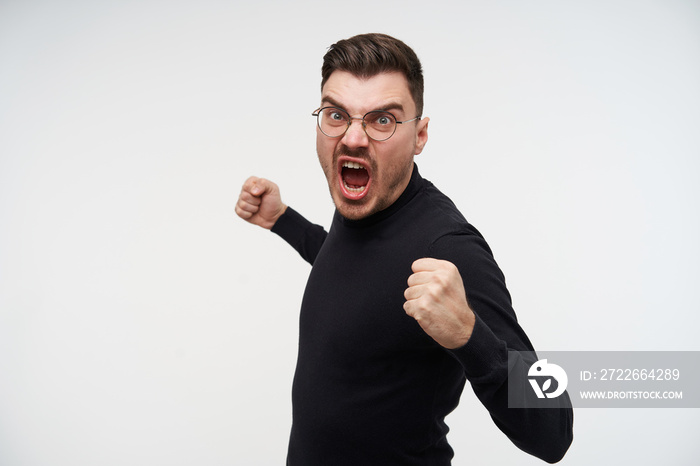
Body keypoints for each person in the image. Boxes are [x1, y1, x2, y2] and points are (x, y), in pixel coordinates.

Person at [235, 33, 573, 465]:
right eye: (337, 114)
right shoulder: (363, 197)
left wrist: (471, 336)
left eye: (383, 120)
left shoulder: (449, 248)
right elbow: (361, 273)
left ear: (420, 135)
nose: (353, 139)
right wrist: (284, 221)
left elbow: (554, 432)